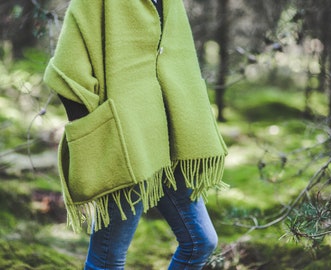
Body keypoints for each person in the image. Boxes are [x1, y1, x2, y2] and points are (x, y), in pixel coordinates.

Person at [44, 0, 228, 269]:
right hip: (126, 145)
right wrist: (99, 132)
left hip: (171, 143)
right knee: (107, 259)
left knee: (201, 241)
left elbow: (178, 61)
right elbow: (66, 72)